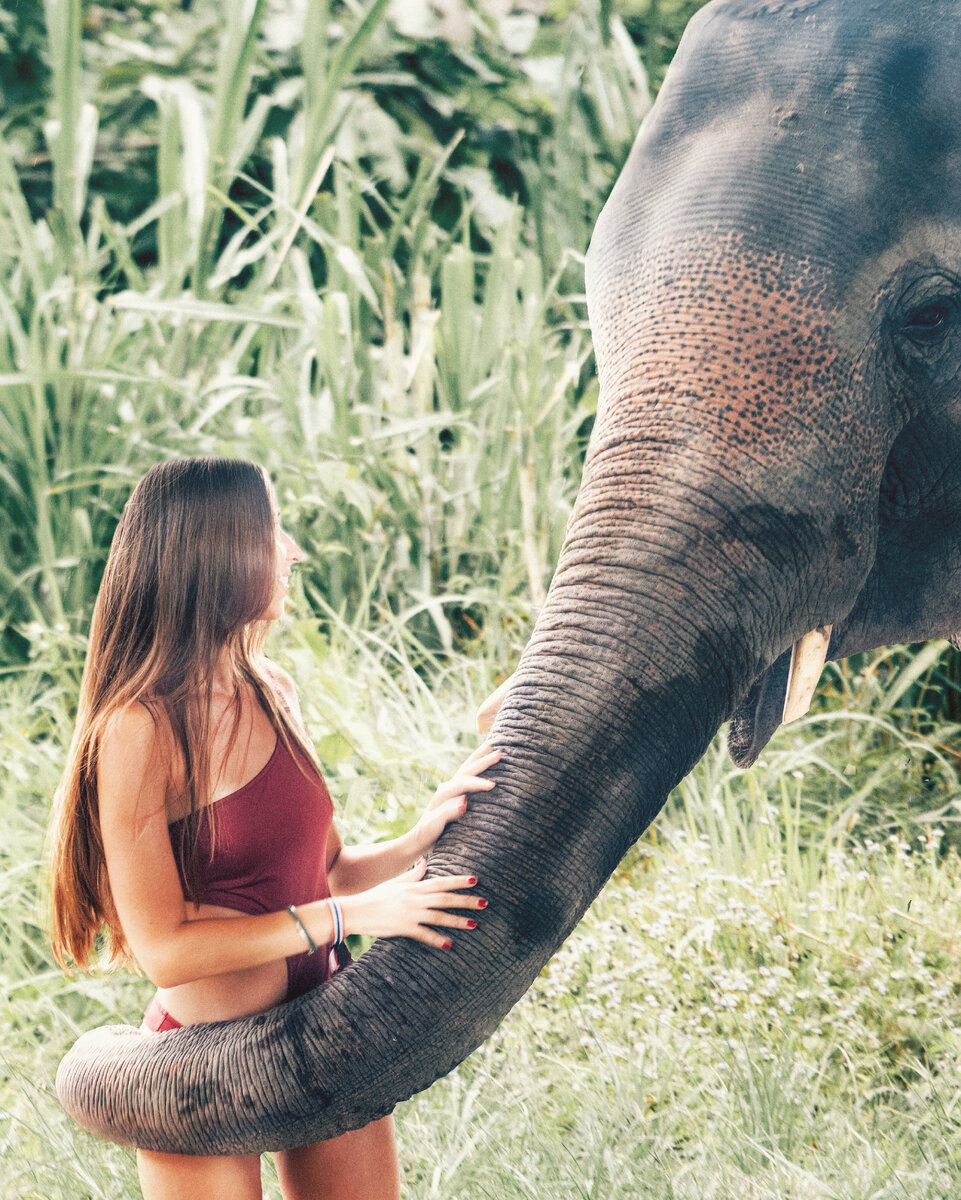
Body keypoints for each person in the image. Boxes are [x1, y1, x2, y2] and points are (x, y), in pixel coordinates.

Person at [47, 457, 498, 1200]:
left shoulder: (274, 689)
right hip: (202, 1070)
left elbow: (328, 873)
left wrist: (421, 834)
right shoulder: (137, 728)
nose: (291, 552)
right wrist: (348, 919)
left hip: (322, 1028)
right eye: (273, 533)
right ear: (220, 553)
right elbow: (165, 951)